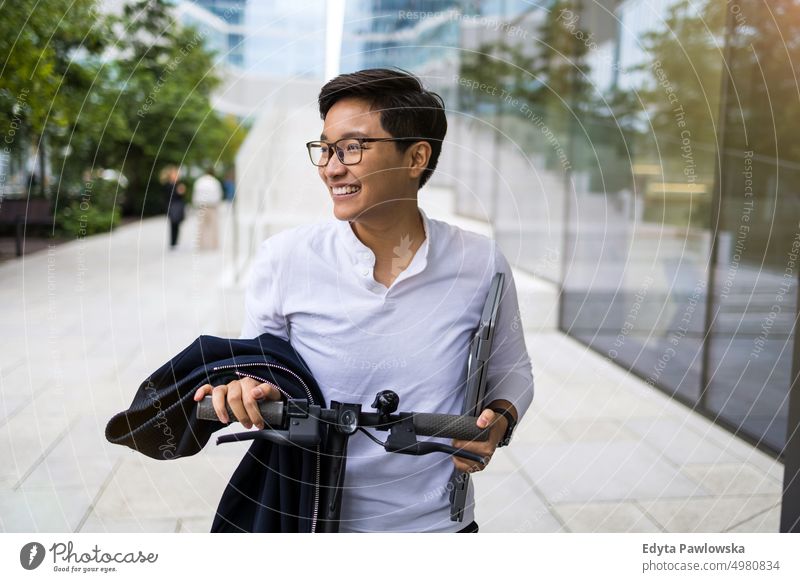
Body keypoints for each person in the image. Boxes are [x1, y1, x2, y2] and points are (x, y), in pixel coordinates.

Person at [193, 68, 534, 532]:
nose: (332, 167)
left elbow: (511, 373)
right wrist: (244, 389)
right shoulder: (285, 258)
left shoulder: (478, 261)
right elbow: (259, 372)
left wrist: (501, 421)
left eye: (352, 147)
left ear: (416, 157)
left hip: (437, 528)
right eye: (325, 148)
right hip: (310, 524)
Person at [192, 167, 224, 250]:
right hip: (212, 206)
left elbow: (195, 195)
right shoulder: (215, 182)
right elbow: (219, 195)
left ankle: (201, 245)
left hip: (201, 206)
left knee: (201, 228)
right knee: (214, 227)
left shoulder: (199, 181)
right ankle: (214, 245)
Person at [162, 165, 186, 249]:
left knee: (177, 225)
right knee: (173, 225)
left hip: (178, 207)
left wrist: (181, 192)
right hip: (171, 206)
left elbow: (182, 197)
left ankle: (175, 242)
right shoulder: (168, 185)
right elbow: (169, 196)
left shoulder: (179, 184)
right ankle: (172, 243)